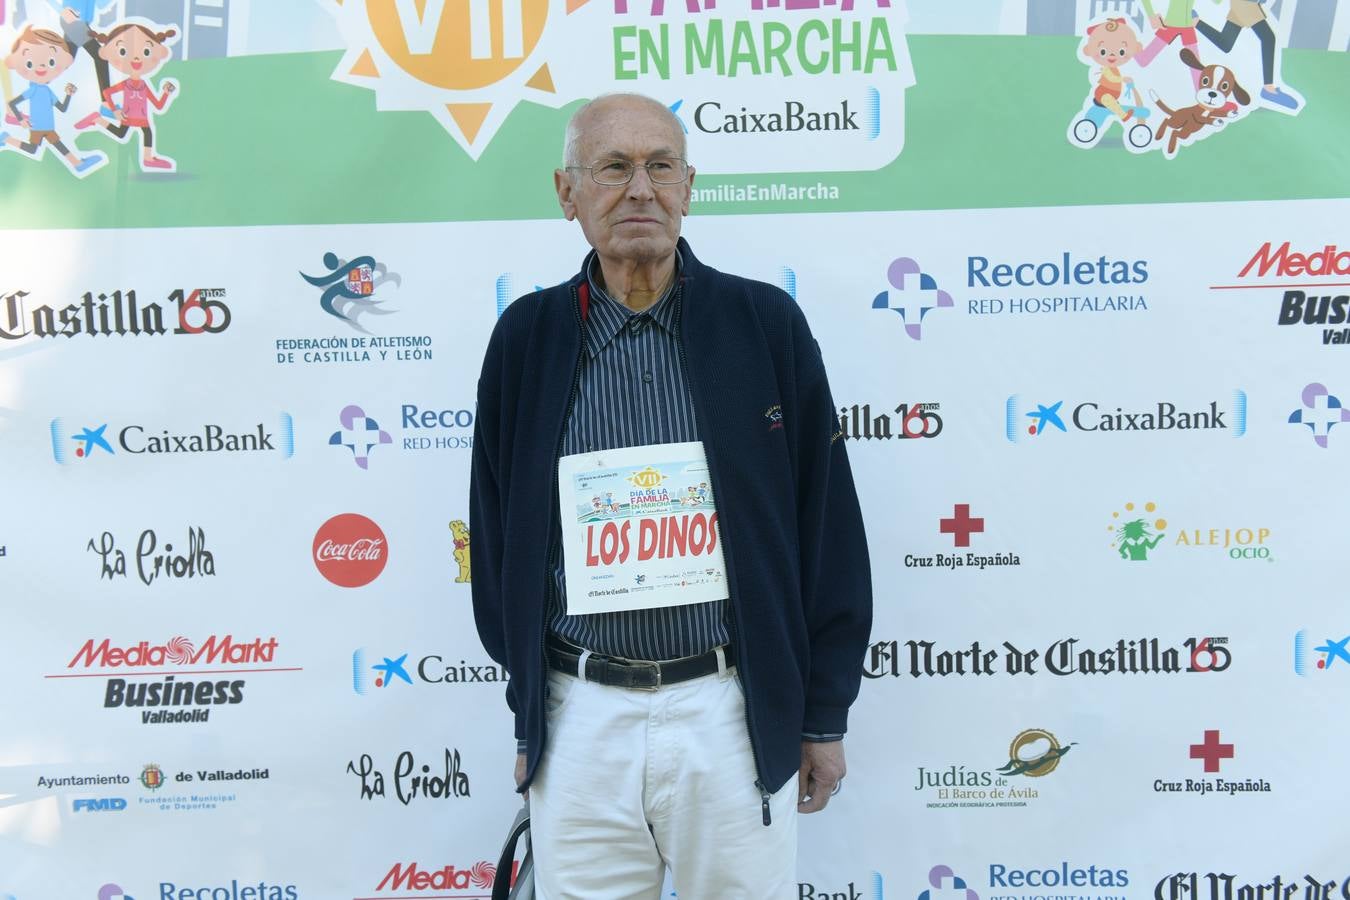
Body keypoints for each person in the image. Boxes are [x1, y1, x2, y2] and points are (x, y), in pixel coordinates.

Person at [470, 93, 872, 898]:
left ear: (689, 185)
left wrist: (822, 716)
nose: (640, 190)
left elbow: (825, 526)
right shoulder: (526, 339)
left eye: (660, 166)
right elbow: (496, 540)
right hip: (578, 716)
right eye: (613, 168)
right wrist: (531, 715)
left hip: (726, 709)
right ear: (567, 192)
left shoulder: (766, 325)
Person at [1195, 0, 1300, 110]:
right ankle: (1268, 89)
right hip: (1245, 3)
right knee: (1268, 38)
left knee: (1225, 42)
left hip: (1245, 3)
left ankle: (1196, 22)